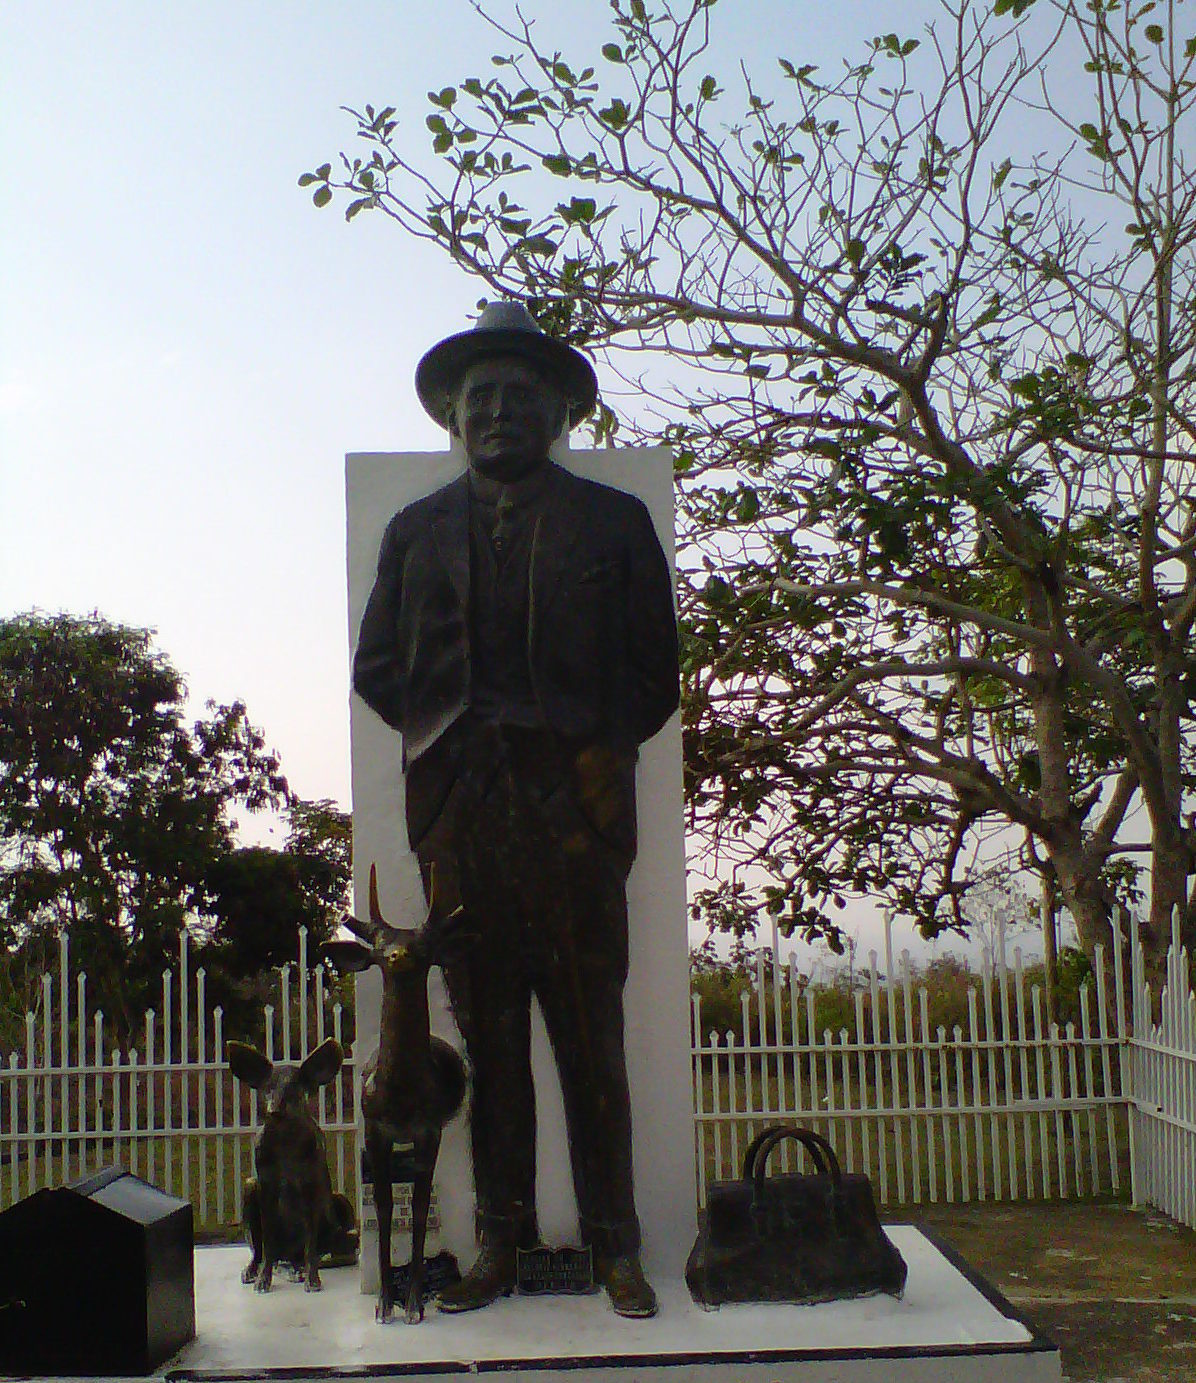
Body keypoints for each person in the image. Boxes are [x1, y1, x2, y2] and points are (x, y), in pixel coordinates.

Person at [353, 301, 679, 1318]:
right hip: (462, 817)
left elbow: (654, 671)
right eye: (480, 396)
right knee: (491, 1045)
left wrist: (585, 750)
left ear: (558, 412)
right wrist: (452, 736)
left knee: (591, 1040)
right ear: (453, 415)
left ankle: (615, 1245)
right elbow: (377, 668)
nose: (499, 412)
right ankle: (500, 1240)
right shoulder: (414, 532)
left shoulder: (613, 522)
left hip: (576, 815)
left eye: (520, 395)